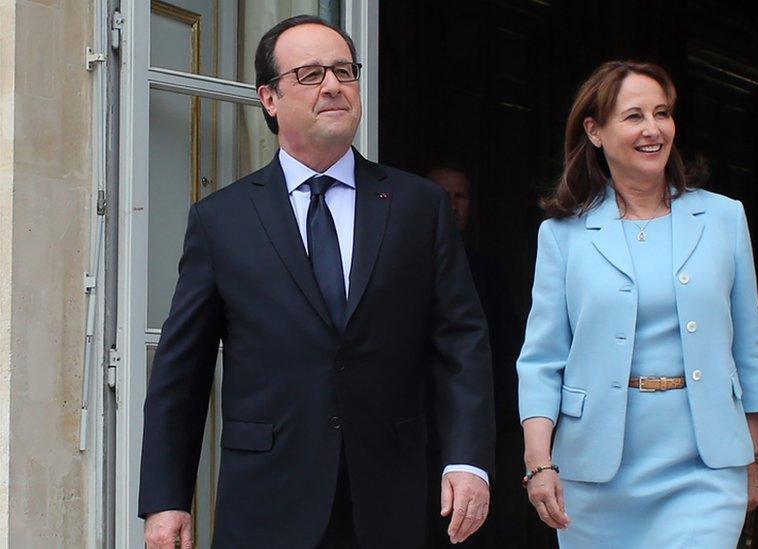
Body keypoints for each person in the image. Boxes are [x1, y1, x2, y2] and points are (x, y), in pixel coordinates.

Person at [138, 15, 494, 549]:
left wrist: (468, 460)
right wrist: (166, 499)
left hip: (391, 495)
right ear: (269, 98)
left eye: (344, 72)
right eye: (309, 74)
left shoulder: (418, 206)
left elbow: (460, 341)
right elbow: (180, 371)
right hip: (267, 499)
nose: (333, 86)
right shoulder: (222, 220)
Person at [516, 60, 758, 548]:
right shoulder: (562, 235)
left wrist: (753, 457)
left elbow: (750, 345)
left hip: (706, 466)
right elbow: (542, 359)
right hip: (595, 475)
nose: (653, 129)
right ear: (595, 131)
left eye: (662, 113)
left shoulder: (722, 217)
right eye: (634, 116)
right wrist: (539, 463)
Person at [425, 167, 527, 548]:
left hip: (477, 433)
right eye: (440, 195)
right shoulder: (397, 259)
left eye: (460, 197)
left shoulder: (486, 270)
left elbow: (504, 351)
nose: (450, 206)